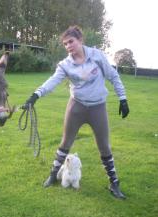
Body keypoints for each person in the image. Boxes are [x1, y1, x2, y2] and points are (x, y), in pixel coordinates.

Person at [23, 25, 129, 199]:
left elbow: (113, 76)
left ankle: (114, 184)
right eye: (65, 44)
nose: (68, 46)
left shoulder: (96, 55)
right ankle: (52, 175)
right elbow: (52, 81)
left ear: (80, 40)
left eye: (71, 41)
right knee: (65, 142)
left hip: (98, 107)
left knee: (104, 146)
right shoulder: (65, 64)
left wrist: (123, 98)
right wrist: (35, 95)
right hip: (77, 106)